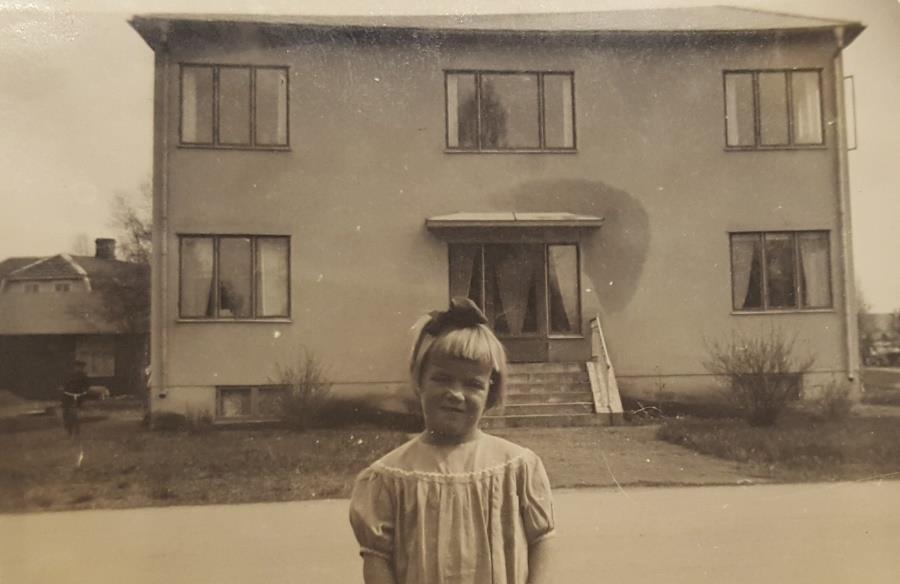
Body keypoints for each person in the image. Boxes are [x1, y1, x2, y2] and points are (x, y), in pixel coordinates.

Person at [349, 297, 555, 584]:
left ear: (490, 394)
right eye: (442, 379)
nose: (455, 394)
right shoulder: (390, 478)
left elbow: (541, 541)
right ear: (420, 380)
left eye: (473, 384)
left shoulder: (517, 467)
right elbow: (376, 561)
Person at [61, 360, 89, 436]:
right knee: (66, 412)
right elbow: (65, 384)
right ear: (75, 367)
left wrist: (84, 393)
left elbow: (87, 386)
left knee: (74, 412)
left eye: (81, 367)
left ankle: (75, 429)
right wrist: (63, 389)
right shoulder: (70, 375)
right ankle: (69, 428)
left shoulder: (83, 376)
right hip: (68, 395)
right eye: (78, 367)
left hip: (77, 396)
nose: (79, 368)